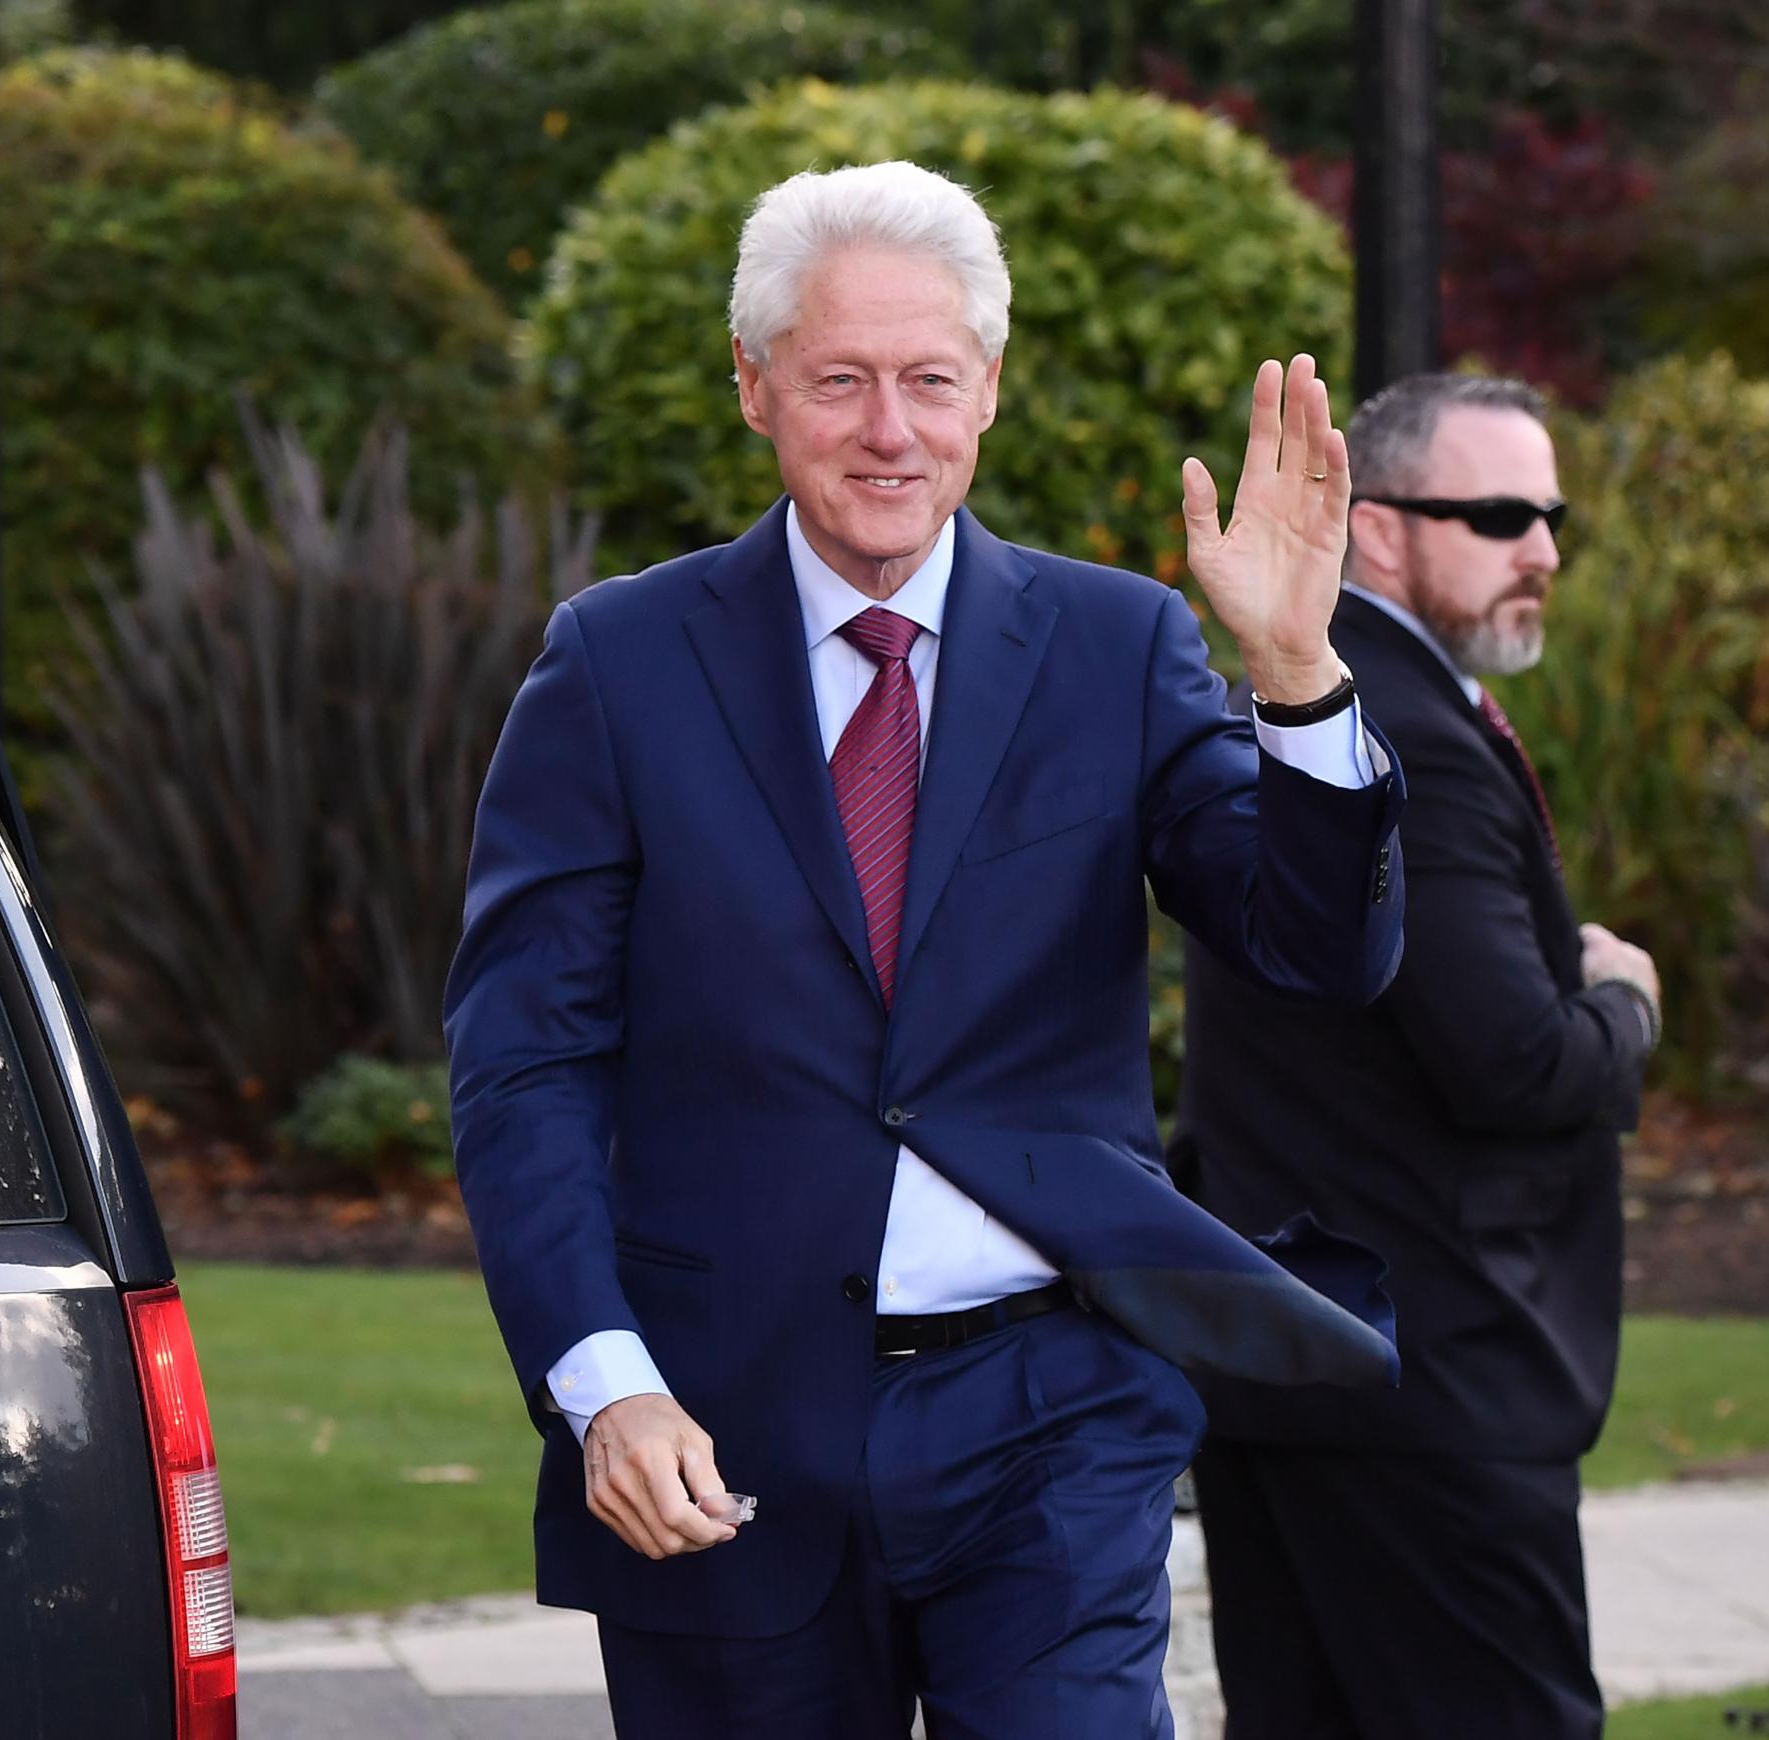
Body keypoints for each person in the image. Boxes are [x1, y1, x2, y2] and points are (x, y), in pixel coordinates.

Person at [443, 160, 1407, 1739]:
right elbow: (525, 1060)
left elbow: (1322, 953)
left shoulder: (1119, 646)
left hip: (1052, 1417)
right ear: (755, 389)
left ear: (989, 393)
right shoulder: (617, 665)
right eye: (840, 381)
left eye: (929, 382)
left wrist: (1295, 674)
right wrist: (603, 1379)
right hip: (719, 1424)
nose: (890, 431)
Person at [1174, 372, 1660, 1740]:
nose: (1544, 550)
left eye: (1549, 515)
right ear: (1376, 531)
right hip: (1429, 1396)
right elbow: (1508, 1061)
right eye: (1501, 514)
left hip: (1307, 1380)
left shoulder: (1340, 706)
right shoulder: (1406, 738)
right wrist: (1628, 1003)